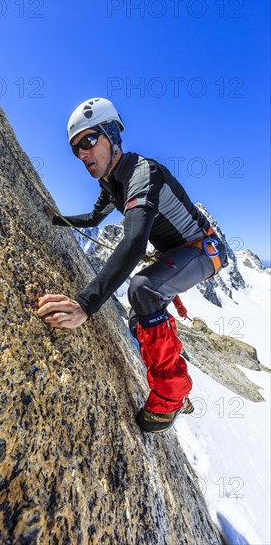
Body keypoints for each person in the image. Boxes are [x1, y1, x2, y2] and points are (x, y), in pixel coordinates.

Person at [37, 97, 228, 433]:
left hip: (203, 249)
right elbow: (95, 218)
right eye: (75, 148)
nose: (82, 154)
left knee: (143, 289)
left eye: (89, 140)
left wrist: (85, 304)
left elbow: (135, 242)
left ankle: (171, 396)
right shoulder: (111, 184)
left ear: (112, 134)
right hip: (180, 252)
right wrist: (59, 220)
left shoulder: (143, 173)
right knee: (140, 320)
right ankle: (176, 382)